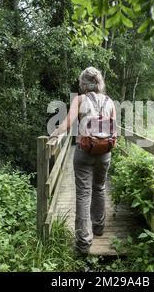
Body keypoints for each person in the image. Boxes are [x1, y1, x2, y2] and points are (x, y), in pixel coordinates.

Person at [49, 67, 116, 256]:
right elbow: (114, 128)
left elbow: (67, 124)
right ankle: (99, 227)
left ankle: (83, 243)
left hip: (84, 152)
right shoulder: (110, 101)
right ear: (99, 83)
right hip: (105, 153)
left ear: (83, 84)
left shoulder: (80, 100)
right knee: (100, 187)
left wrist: (53, 135)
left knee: (83, 194)